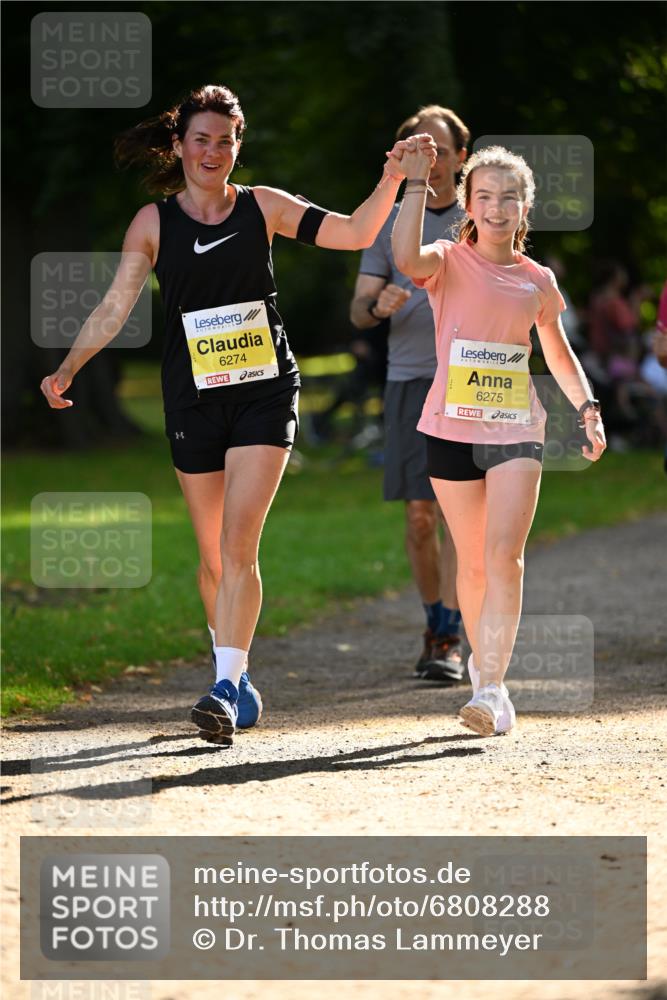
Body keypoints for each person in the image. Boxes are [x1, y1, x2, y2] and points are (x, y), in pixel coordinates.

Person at [40, 83, 436, 746]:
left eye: (226, 141)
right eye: (201, 139)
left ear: (237, 147)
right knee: (211, 557)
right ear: (178, 144)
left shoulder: (265, 208)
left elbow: (353, 232)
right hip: (192, 398)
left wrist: (394, 176)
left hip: (264, 390)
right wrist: (68, 366)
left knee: (237, 544)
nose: (213, 151)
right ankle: (238, 675)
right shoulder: (153, 223)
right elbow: (115, 307)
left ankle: (222, 687)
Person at [391, 142, 606, 736]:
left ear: (525, 206)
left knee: (503, 556)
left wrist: (587, 406)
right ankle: (486, 678)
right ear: (466, 203)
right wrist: (413, 186)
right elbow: (404, 254)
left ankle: (490, 689)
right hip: (449, 427)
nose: (495, 207)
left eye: (508, 196)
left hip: (515, 428)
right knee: (474, 562)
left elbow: (557, 351)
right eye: (483, 196)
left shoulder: (538, 279)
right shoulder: (447, 259)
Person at [350, 106, 470, 683]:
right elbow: (358, 308)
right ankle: (437, 625)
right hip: (409, 381)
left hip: (470, 385)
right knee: (421, 516)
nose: (434, 161)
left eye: (442, 151)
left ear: (461, 157)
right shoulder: (392, 221)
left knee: (458, 516)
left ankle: (452, 631)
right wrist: (379, 305)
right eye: (421, 151)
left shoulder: (484, 218)